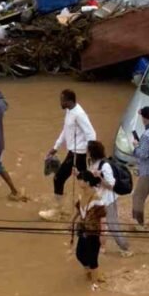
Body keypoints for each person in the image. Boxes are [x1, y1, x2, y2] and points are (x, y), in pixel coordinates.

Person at [41, 89, 96, 220]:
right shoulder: (69, 111)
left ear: (69, 101)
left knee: (59, 178)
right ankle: (92, 206)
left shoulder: (79, 115)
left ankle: (57, 211)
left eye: (62, 100)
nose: (60, 102)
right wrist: (55, 147)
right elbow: (65, 130)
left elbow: (92, 134)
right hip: (72, 152)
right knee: (85, 182)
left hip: (78, 154)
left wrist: (88, 153)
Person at [86, 140, 132, 258]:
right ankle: (101, 247)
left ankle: (125, 248)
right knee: (96, 225)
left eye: (88, 150)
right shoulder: (92, 164)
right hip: (97, 200)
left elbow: (112, 185)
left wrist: (100, 178)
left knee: (113, 226)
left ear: (92, 152)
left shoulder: (105, 166)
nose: (86, 152)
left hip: (108, 200)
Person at [71, 171, 107, 289]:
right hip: (83, 229)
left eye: (80, 180)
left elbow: (102, 218)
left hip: (93, 232)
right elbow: (79, 209)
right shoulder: (82, 195)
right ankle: (90, 272)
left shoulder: (97, 198)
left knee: (93, 258)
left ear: (86, 182)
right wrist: (72, 221)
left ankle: (95, 283)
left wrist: (102, 234)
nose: (78, 182)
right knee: (79, 254)